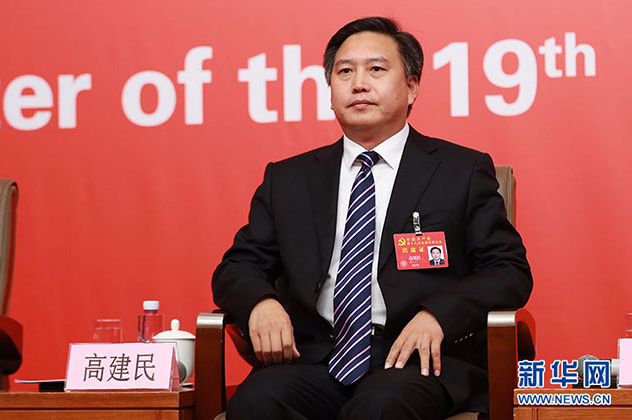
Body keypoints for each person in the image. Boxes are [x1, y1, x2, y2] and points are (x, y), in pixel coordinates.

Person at [212, 16, 532, 420]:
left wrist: (439, 314)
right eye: (345, 72)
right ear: (330, 91)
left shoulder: (460, 171)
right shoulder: (289, 178)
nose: (359, 84)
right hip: (314, 359)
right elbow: (237, 267)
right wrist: (261, 303)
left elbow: (507, 270)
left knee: (382, 405)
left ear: (411, 87)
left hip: (418, 360)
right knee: (257, 400)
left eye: (376, 69)